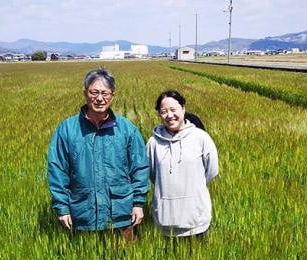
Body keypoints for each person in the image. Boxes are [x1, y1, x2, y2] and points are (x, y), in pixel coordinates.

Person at [47, 68, 150, 240]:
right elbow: (57, 170)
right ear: (85, 93)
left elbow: (139, 168)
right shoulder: (67, 129)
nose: (100, 98)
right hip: (82, 217)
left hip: (122, 217)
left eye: (105, 93)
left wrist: (138, 203)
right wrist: (62, 207)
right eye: (94, 92)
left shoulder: (127, 129)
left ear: (112, 96)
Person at [146, 90, 218, 239]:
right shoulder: (153, 143)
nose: (169, 115)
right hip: (166, 222)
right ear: (159, 115)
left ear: (183, 109)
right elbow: (153, 175)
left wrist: (194, 187)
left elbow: (211, 171)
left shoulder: (201, 138)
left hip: (196, 221)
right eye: (164, 111)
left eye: (173, 109)